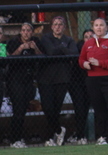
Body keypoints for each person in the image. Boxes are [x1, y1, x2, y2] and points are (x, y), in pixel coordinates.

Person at [79, 17, 108, 144]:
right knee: (99, 110)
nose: (99, 28)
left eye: (101, 25)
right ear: (93, 28)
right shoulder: (88, 43)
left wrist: (100, 63)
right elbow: (81, 59)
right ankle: (102, 136)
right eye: (96, 25)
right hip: (93, 80)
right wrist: (85, 64)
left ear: (106, 27)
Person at [38, 16, 78, 146]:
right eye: (55, 24)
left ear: (64, 27)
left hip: (62, 78)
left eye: (60, 24)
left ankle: (50, 138)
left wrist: (60, 49)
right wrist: (63, 50)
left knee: (56, 109)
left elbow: (74, 54)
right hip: (46, 79)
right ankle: (59, 130)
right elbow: (50, 51)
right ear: (51, 26)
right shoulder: (46, 38)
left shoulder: (69, 39)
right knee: (47, 108)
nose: (57, 27)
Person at [6, 22, 44, 145]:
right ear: (20, 32)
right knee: (18, 109)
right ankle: (15, 139)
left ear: (31, 32)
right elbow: (9, 58)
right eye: (24, 30)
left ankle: (19, 137)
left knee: (24, 109)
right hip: (15, 80)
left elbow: (42, 57)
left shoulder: (36, 41)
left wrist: (35, 48)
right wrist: (21, 48)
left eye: (28, 30)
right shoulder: (14, 42)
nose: (26, 32)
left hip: (29, 80)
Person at [68, 28, 94, 143]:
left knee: (86, 109)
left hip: (91, 82)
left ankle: (90, 135)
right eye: (86, 37)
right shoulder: (78, 47)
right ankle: (80, 136)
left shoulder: (98, 48)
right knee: (79, 108)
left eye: (91, 36)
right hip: (76, 82)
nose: (88, 39)